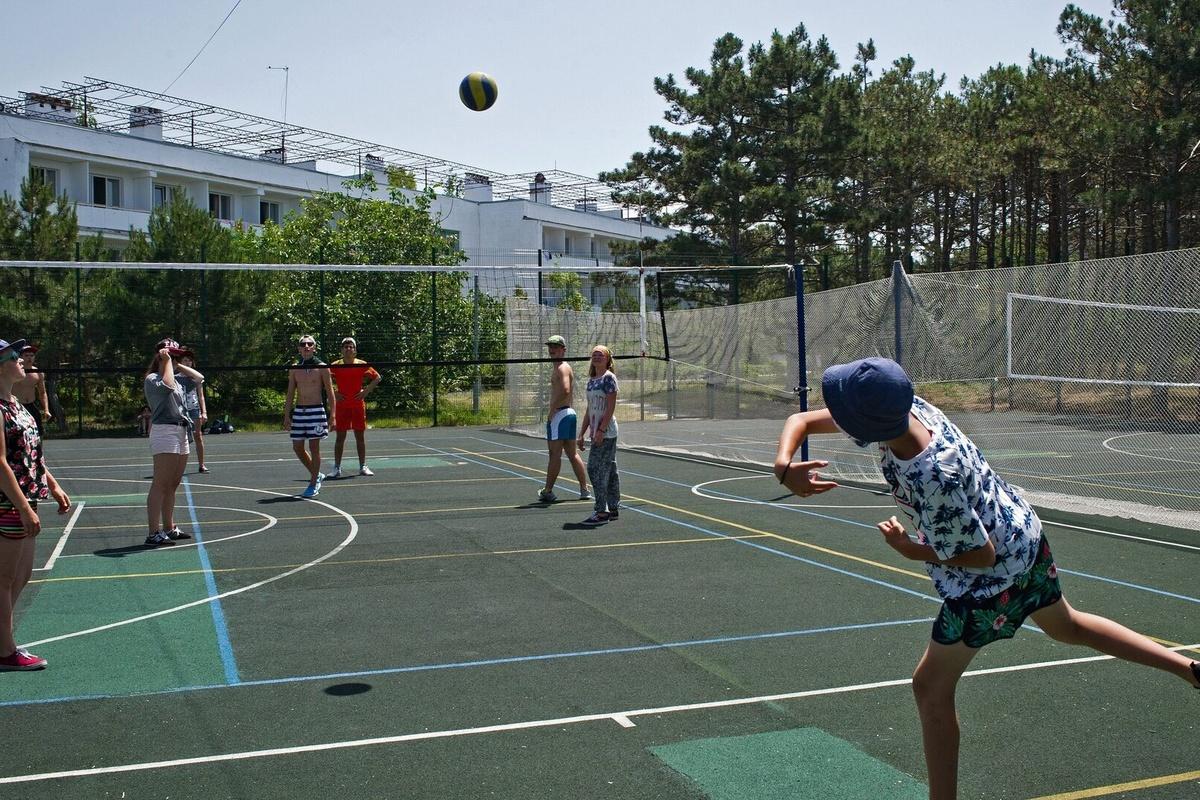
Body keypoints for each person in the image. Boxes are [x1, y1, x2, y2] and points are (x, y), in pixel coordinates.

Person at [773, 357, 1200, 800]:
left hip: (988, 581)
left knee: (929, 687)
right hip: (1023, 536)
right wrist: (784, 466)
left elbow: (978, 554)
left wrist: (909, 549)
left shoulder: (930, 474)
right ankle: (1190, 669)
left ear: (865, 424)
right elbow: (799, 419)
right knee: (1068, 626)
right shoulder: (910, 409)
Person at [0, 337, 70, 670]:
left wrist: (52, 485)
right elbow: (0, 463)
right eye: (13, 356)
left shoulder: (17, 404)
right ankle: (4, 650)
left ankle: (1, 639)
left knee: (22, 574)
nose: (21, 360)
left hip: (26, 497)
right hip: (7, 501)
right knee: (4, 576)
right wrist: (23, 508)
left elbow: (32, 455)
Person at [143, 338, 204, 548]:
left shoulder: (177, 376)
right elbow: (168, 386)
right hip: (165, 430)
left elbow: (199, 378)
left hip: (180, 430)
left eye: (177, 355)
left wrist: (177, 364)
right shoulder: (152, 379)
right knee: (160, 483)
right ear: (160, 355)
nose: (175, 358)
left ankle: (169, 527)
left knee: (173, 484)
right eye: (172, 354)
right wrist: (167, 361)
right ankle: (153, 532)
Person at [538, 335, 589, 503]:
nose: (552, 349)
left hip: (560, 415)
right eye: (550, 346)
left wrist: (552, 410)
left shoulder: (562, 368)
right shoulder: (560, 367)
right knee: (571, 454)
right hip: (568, 414)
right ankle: (584, 489)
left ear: (563, 349)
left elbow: (566, 390)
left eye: (556, 346)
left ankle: (548, 490)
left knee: (554, 454)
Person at [284, 335, 336, 498]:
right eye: (303, 344)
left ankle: (313, 483)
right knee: (297, 447)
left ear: (314, 347)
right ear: (299, 349)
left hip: (316, 411)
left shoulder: (322, 367)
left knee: (314, 447)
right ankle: (316, 473)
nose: (306, 346)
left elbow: (330, 392)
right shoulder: (295, 368)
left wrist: (332, 415)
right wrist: (287, 415)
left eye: (309, 344)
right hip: (300, 411)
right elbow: (291, 393)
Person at [577, 345, 619, 524]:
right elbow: (589, 409)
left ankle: (602, 511)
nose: (596, 357)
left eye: (600, 354)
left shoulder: (609, 379)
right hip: (596, 432)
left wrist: (601, 430)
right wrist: (582, 433)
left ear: (608, 360)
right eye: (594, 354)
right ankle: (613, 507)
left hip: (606, 432)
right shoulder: (592, 380)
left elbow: (610, 407)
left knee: (595, 469)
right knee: (610, 470)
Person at [328, 337, 381, 478]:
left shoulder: (361, 364)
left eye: (351, 346)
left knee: (360, 437)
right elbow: (324, 379)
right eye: (345, 346)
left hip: (357, 406)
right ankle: (337, 468)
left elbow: (377, 378)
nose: (348, 349)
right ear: (341, 350)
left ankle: (363, 466)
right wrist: (334, 392)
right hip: (342, 407)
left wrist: (365, 391)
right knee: (340, 437)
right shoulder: (335, 365)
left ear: (355, 350)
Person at [177, 352, 209, 473]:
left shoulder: (196, 378)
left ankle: (201, 464)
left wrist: (204, 412)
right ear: (180, 363)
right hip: (181, 410)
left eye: (189, 361)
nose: (188, 363)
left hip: (194, 409)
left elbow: (201, 396)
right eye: (185, 360)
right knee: (180, 437)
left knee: (198, 436)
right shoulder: (175, 377)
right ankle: (177, 465)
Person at [13, 344, 49, 438]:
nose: (29, 358)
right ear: (20, 357)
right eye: (26, 355)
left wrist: (46, 410)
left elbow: (42, 393)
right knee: (17, 434)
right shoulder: (14, 371)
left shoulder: (38, 373)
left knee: (38, 432)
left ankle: (39, 452)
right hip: (16, 407)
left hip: (31, 406)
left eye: (31, 355)